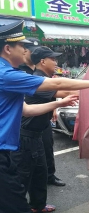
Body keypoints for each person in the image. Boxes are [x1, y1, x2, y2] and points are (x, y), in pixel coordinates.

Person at [0, 20, 89, 213]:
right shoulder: (5, 73)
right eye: (22, 47)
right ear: (7, 48)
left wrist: (58, 104)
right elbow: (49, 85)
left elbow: (25, 110)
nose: (26, 51)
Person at [18, 39, 65, 187]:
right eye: (53, 59)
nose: (56, 62)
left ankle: (48, 178)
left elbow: (52, 93)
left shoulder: (39, 73)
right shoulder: (22, 72)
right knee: (27, 168)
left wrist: (54, 108)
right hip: (28, 125)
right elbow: (60, 90)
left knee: (46, 150)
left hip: (39, 121)